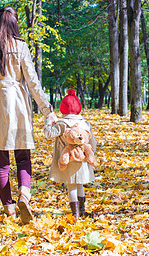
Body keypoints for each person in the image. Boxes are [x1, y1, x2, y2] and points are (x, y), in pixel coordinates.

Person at [0, 6, 57, 224]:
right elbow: (33, 82)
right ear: (14, 24)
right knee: (23, 156)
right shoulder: (21, 47)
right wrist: (47, 110)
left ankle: (9, 208)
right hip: (17, 102)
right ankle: (24, 196)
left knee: (0, 161)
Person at [43, 89, 97, 218]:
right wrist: (91, 154)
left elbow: (48, 134)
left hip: (68, 159)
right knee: (80, 185)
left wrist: (48, 121)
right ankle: (82, 211)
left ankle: (75, 214)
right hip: (82, 159)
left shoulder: (62, 124)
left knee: (71, 185)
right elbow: (92, 140)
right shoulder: (85, 123)